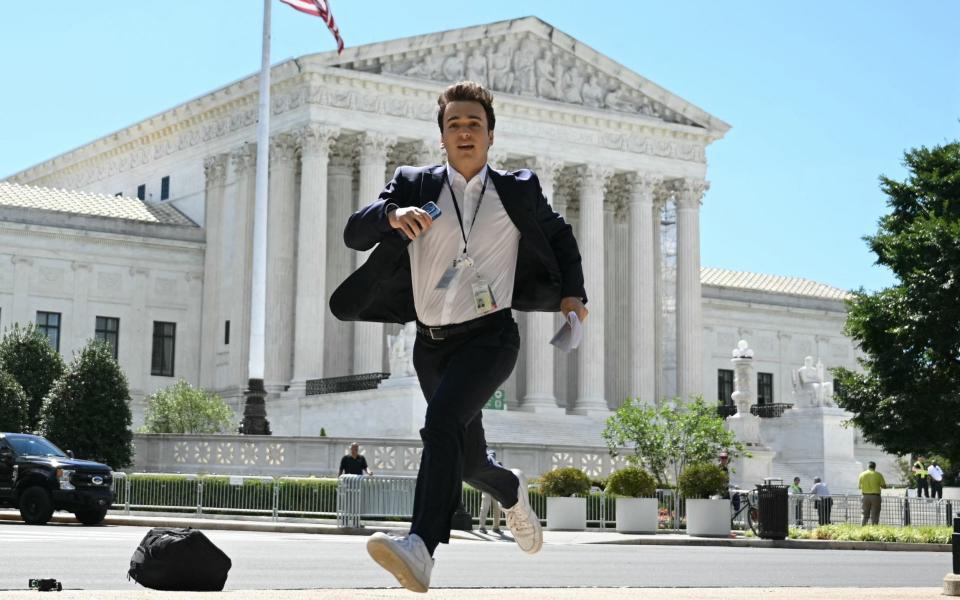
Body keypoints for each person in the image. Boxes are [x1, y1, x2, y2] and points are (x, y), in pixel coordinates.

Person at [330, 80, 588, 593]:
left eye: (474, 125)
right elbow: (354, 234)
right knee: (466, 460)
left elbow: (558, 233)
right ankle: (510, 489)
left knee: (441, 422)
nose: (464, 133)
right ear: (441, 137)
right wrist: (390, 216)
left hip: (490, 337)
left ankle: (420, 546)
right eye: (454, 125)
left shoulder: (516, 190)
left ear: (491, 136)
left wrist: (573, 294)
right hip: (430, 344)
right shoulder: (413, 184)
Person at [858, 461, 886, 526]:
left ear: (868, 466)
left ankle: (862, 529)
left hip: (865, 496)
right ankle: (874, 529)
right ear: (875, 467)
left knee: (864, 514)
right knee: (875, 514)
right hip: (875, 496)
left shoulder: (862, 474)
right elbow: (884, 486)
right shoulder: (878, 474)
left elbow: (859, 487)